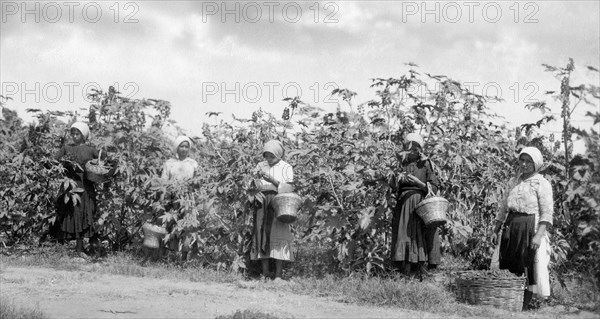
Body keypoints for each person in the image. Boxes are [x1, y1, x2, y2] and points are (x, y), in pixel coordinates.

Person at [492, 146, 553, 310]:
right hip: (511, 225)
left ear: (536, 164)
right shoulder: (513, 182)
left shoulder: (542, 183)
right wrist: (496, 229)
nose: (524, 164)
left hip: (530, 227)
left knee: (527, 265)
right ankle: (507, 301)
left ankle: (523, 306)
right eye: (522, 160)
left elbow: (547, 214)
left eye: (529, 161)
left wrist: (538, 236)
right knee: (507, 262)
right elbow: (503, 208)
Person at [391, 132, 441, 278]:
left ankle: (422, 270)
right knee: (404, 234)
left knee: (421, 234)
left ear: (420, 148)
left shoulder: (426, 164)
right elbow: (393, 187)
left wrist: (419, 184)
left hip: (421, 205)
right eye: (409, 147)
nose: (412, 150)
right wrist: (395, 178)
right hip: (404, 203)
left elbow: (435, 187)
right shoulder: (401, 164)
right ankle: (405, 270)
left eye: (415, 147)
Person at [53, 122, 101, 256]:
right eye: (72, 133)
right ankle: (78, 248)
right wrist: (49, 163)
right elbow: (54, 161)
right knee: (73, 215)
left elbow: (103, 162)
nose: (74, 136)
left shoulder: (91, 150)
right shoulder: (66, 148)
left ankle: (86, 247)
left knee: (85, 214)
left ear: (83, 135)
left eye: (77, 133)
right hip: (71, 187)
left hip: (86, 187)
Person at [250, 140, 295, 280]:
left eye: (272, 156)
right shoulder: (260, 165)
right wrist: (254, 188)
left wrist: (272, 180)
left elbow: (289, 188)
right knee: (262, 234)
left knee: (278, 234)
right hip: (262, 202)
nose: (268, 159)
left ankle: (278, 275)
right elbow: (252, 184)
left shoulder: (286, 167)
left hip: (279, 204)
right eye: (266, 156)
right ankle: (264, 273)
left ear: (279, 155)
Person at [150, 136, 199, 261]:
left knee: (187, 226)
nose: (184, 149)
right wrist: (162, 199)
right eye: (181, 146)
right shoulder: (169, 163)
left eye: (186, 146)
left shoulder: (193, 164)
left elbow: (197, 182)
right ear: (176, 148)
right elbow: (163, 182)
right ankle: (168, 256)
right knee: (170, 226)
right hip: (171, 198)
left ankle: (184, 258)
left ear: (189, 149)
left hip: (187, 199)